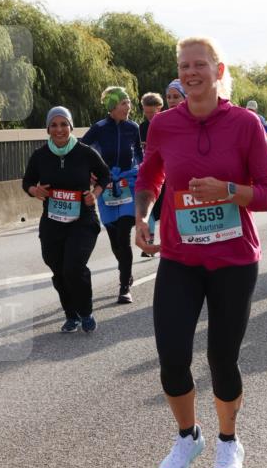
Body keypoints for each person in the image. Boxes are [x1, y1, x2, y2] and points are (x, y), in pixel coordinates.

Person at [135, 36, 267, 468]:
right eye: (184, 66)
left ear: (219, 71)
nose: (191, 72)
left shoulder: (246, 124)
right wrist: (142, 215)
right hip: (181, 257)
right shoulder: (163, 124)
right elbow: (150, 174)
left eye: (199, 65)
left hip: (233, 259)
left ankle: (228, 442)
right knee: (172, 355)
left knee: (222, 356)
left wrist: (229, 192)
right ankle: (187, 436)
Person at [22, 107, 109, 332]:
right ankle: (72, 315)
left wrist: (95, 194)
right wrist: (35, 190)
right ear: (48, 128)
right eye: (54, 125)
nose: (59, 129)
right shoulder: (40, 155)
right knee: (58, 269)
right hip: (52, 222)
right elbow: (27, 181)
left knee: (74, 267)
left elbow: (105, 175)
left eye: (64, 124)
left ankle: (86, 311)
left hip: (83, 220)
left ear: (71, 127)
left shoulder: (85, 152)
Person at [82, 86, 143, 303]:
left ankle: (124, 286)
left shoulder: (133, 127)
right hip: (105, 186)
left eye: (128, 102)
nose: (128, 107)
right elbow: (81, 150)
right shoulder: (99, 128)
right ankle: (126, 271)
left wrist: (143, 174)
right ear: (112, 106)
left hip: (128, 183)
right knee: (114, 238)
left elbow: (139, 155)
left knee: (123, 235)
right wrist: (90, 172)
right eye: (123, 103)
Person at [139, 92, 165, 256]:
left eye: (152, 112)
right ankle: (149, 244)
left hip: (167, 171)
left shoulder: (167, 122)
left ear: (159, 108)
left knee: (167, 210)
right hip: (150, 172)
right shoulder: (142, 127)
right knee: (150, 209)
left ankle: (169, 242)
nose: (149, 116)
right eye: (146, 112)